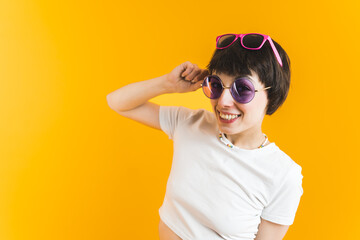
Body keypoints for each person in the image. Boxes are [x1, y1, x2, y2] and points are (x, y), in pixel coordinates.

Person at [106, 33, 304, 240]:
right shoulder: (191, 123)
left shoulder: (283, 176)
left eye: (242, 89)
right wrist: (168, 84)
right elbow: (117, 102)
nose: (223, 101)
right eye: (217, 84)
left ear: (272, 95)